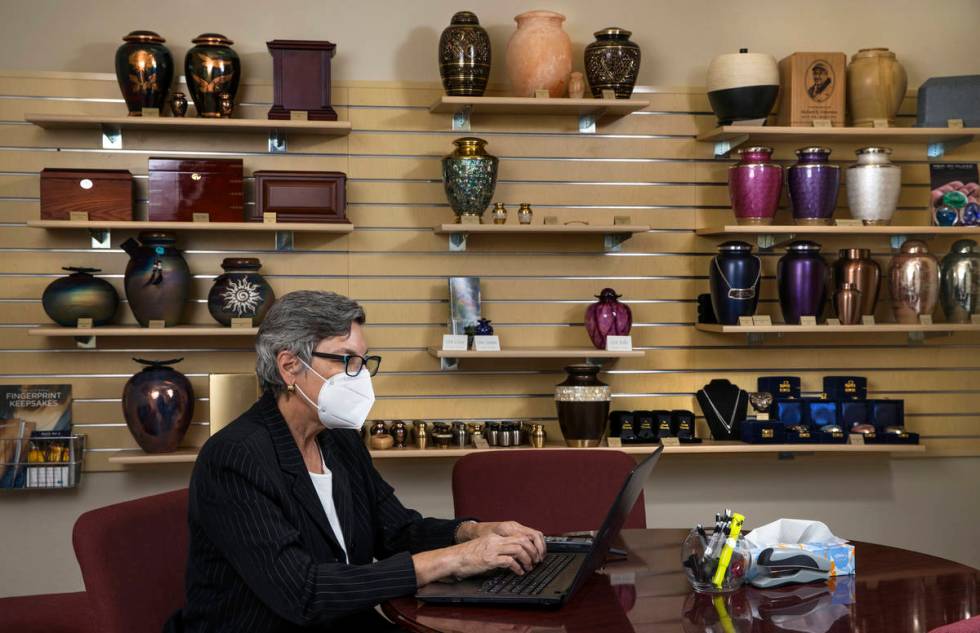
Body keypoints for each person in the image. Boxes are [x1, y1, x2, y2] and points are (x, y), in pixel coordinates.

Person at [168, 291, 546, 632]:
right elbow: (304, 593)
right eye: (347, 360)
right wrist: (451, 561)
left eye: (364, 362)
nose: (361, 376)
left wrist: (472, 533)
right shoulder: (234, 457)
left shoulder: (340, 439)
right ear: (289, 367)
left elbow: (397, 531)